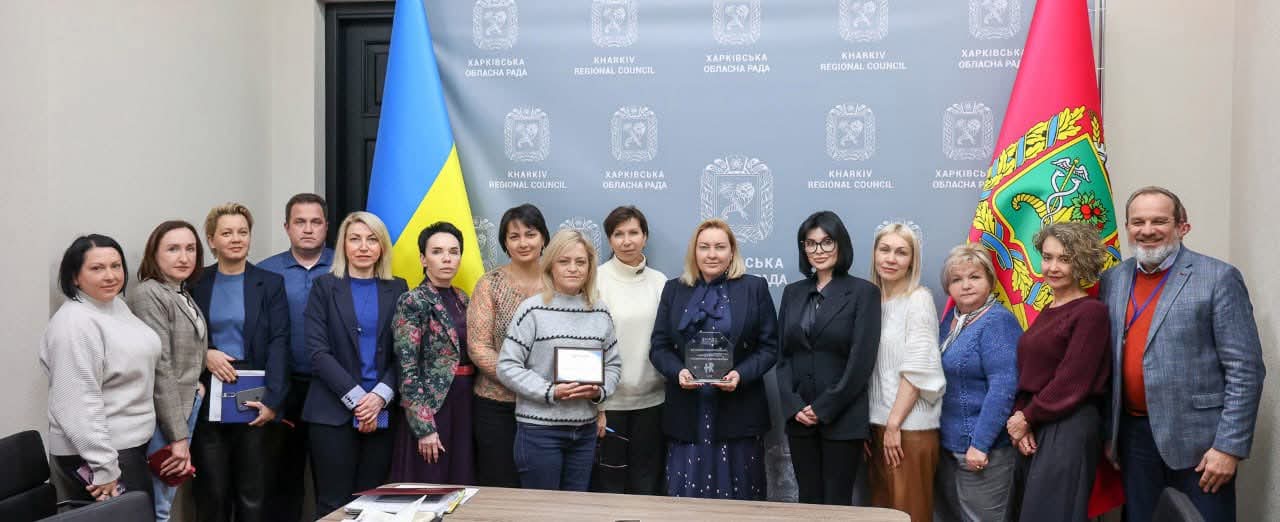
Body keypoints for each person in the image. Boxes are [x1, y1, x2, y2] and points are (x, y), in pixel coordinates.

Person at [1101, 187, 1265, 522]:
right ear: (1128, 227)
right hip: (1134, 439)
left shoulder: (1218, 278)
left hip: (1201, 445)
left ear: (1182, 227)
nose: (1147, 230)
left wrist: (1228, 447)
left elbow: (1245, 370)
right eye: (1138, 222)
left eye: (1159, 221)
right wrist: (1110, 436)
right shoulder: (1113, 279)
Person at [650, 219, 779, 500]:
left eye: (720, 247)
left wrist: (740, 375)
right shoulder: (674, 289)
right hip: (688, 411)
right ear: (694, 252)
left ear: (732, 252)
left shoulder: (754, 287)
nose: (712, 254)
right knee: (687, 498)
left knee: (740, 497)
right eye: (704, 247)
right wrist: (678, 372)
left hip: (739, 410)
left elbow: (770, 347)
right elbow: (659, 346)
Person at [497, 229, 622, 491]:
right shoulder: (532, 309)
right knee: (542, 510)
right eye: (564, 261)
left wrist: (599, 391)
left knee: (575, 509)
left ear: (590, 267)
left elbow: (613, 365)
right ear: (550, 266)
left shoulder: (600, 311)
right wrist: (550, 391)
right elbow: (507, 366)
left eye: (580, 262)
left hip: (584, 432)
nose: (573, 268)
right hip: (539, 433)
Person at [42, 234, 160, 508]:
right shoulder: (74, 323)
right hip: (101, 454)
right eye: (97, 268)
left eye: (116, 266)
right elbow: (76, 402)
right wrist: (104, 466)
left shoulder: (114, 306)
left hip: (126, 447)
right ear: (75, 277)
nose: (110, 276)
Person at [302, 211, 409, 515]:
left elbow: (405, 352)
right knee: (333, 504)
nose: (363, 247)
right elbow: (317, 352)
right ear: (343, 245)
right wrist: (360, 400)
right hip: (331, 412)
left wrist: (379, 398)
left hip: (382, 410)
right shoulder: (324, 287)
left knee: (373, 505)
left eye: (372, 239)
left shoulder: (398, 288)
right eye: (355, 239)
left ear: (382, 247)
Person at [1005, 221, 1111, 522]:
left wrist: (1026, 417)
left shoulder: (1091, 312)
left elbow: (1072, 381)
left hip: (1069, 426)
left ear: (1082, 262)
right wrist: (1023, 417)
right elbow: (1031, 374)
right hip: (1038, 422)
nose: (1053, 267)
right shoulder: (1049, 309)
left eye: (1064, 259)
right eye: (1048, 257)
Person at [190, 203, 290, 522]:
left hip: (254, 398)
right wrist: (205, 353)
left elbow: (279, 342)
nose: (236, 239)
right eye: (227, 233)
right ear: (211, 240)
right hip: (208, 396)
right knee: (212, 493)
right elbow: (180, 338)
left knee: (253, 494)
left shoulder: (270, 283)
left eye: (243, 232)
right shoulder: (195, 282)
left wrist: (273, 400)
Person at [776, 211, 881, 505]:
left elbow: (861, 362)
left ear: (840, 244)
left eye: (826, 242)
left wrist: (823, 408)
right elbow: (783, 356)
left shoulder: (864, 293)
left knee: (837, 504)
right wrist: (794, 405)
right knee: (808, 500)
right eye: (810, 243)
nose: (818, 250)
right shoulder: (793, 293)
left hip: (842, 418)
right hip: (799, 418)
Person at [257, 193, 333, 522]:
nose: (308, 229)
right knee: (282, 479)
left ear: (326, 227)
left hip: (332, 388)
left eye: (316, 222)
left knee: (331, 479)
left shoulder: (344, 266)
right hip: (282, 387)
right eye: (300, 222)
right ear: (286, 227)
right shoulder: (266, 271)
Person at [128, 221, 209, 521]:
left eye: (190, 249)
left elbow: (187, 350)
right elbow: (161, 366)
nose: (184, 257)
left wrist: (197, 381)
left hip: (185, 405)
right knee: (158, 506)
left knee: (165, 498)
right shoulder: (149, 293)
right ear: (154, 253)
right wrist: (178, 437)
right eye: (173, 249)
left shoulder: (180, 291)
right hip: (164, 414)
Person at [934, 244, 1020, 522]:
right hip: (949, 447)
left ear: (990, 281)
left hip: (984, 451)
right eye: (957, 279)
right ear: (948, 287)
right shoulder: (951, 322)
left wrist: (980, 444)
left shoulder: (997, 322)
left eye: (974, 276)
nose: (966, 285)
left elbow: (1003, 388)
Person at [865, 222, 945, 522]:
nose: (891, 258)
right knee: (881, 514)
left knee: (909, 514)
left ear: (912, 260)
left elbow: (917, 368)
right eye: (884, 250)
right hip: (877, 427)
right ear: (874, 254)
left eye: (901, 252)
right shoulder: (871, 301)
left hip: (908, 429)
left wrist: (894, 425)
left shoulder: (918, 299)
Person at [467, 204, 549, 487]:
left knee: (543, 489)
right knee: (500, 487)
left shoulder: (560, 283)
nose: (523, 243)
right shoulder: (489, 284)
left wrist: (544, 388)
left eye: (530, 234)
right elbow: (478, 347)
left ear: (544, 238)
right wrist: (524, 382)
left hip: (548, 408)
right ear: (504, 243)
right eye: (514, 236)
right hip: (496, 407)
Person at [591, 206, 668, 495]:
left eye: (633, 233)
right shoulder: (595, 280)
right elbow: (589, 343)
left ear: (645, 237)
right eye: (618, 234)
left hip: (653, 403)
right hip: (609, 404)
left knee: (647, 484)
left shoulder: (660, 282)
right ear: (609, 240)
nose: (626, 241)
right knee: (611, 486)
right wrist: (597, 406)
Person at [390, 222, 475, 484]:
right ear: (423, 259)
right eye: (437, 251)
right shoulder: (413, 300)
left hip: (466, 401)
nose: (447, 258)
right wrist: (423, 427)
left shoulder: (463, 298)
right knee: (430, 482)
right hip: (433, 406)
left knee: (462, 480)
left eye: (454, 251)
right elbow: (406, 368)